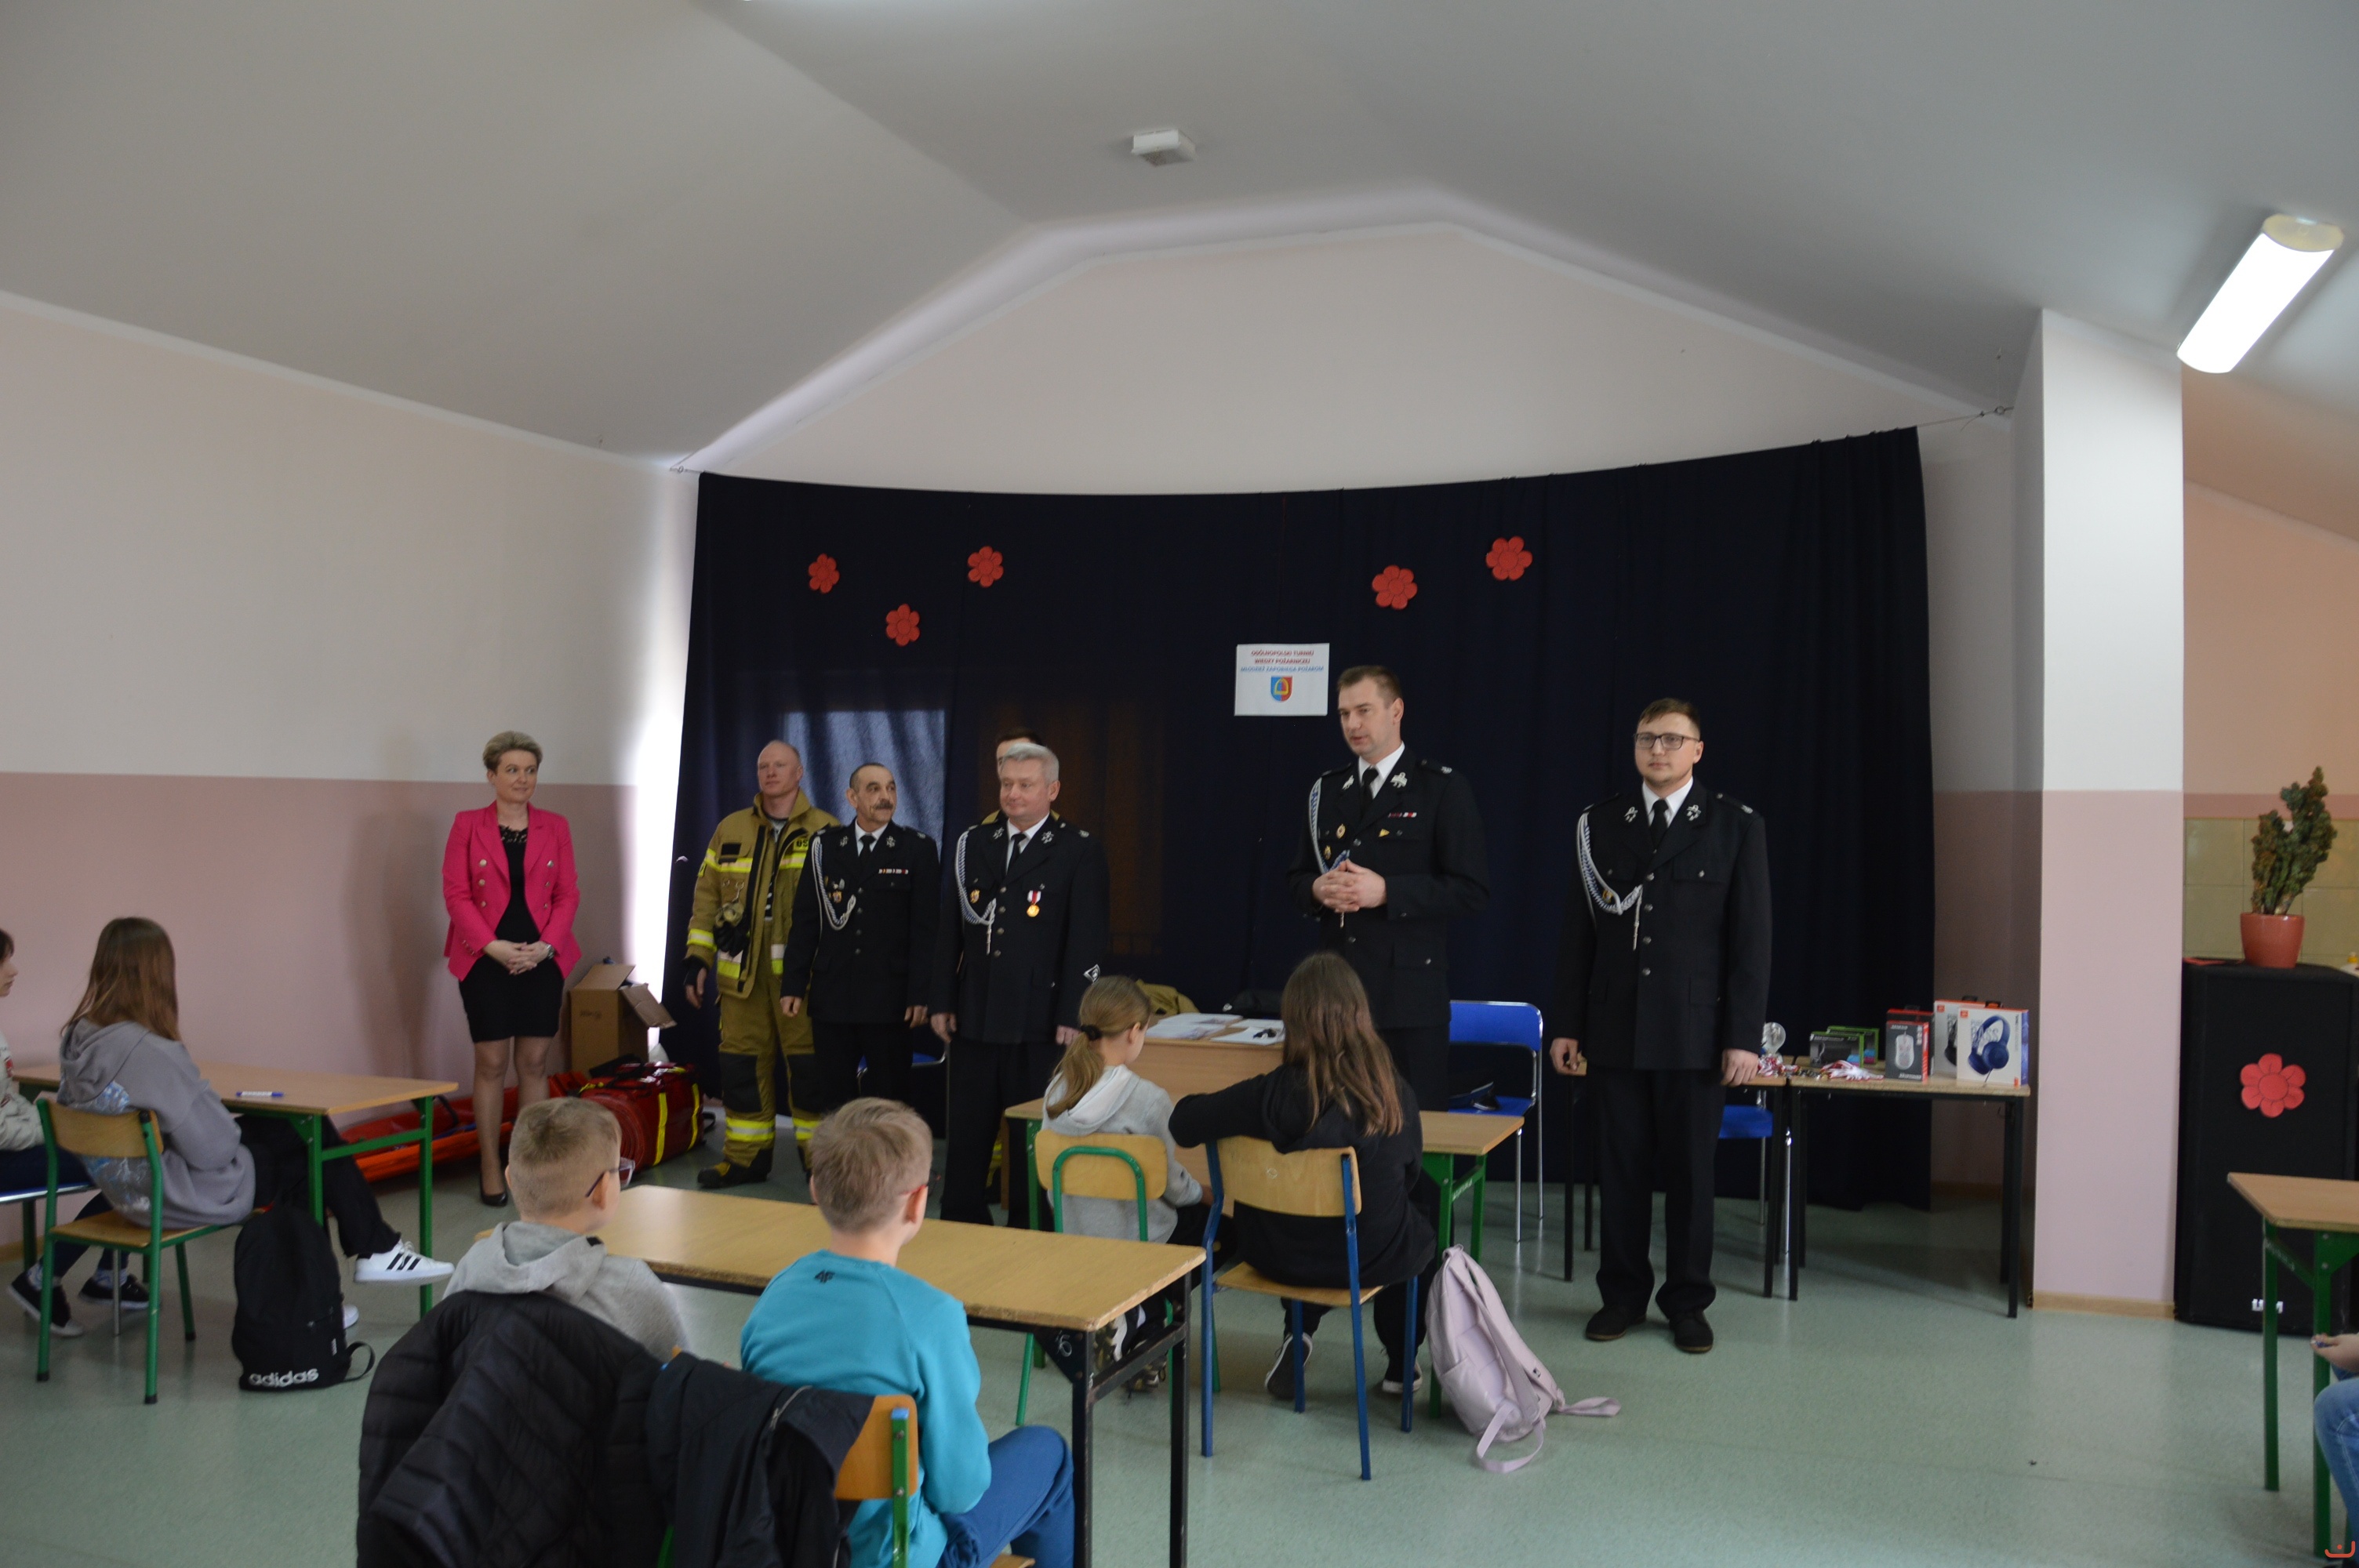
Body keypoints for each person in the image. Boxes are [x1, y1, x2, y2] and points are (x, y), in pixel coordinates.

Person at [740, 1099, 1075, 1568]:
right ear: (918, 1203)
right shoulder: (932, 1317)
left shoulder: (775, 1297)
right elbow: (960, 1491)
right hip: (899, 1557)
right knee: (1049, 1454)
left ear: (816, 1189)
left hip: (790, 1548)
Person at [53, 918, 451, 1293]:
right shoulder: (152, 1053)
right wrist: (207, 1104)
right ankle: (342, 1278)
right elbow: (215, 1149)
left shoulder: (79, 1042)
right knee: (311, 1151)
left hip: (127, 1190)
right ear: (157, 977)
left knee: (291, 1128)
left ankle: (343, 1278)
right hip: (176, 1195)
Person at [1548, 698, 1770, 1354]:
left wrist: (1742, 1037)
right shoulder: (1600, 824)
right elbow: (1578, 936)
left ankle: (1687, 1303)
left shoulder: (1734, 826)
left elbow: (1751, 943)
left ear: (1697, 750)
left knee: (1691, 1179)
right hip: (1615, 1028)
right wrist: (1568, 1024)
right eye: (1648, 738)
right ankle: (1621, 1296)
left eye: (1673, 740)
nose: (1659, 750)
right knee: (1619, 1173)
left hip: (1694, 1034)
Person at [1169, 951, 1439, 1400]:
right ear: (1360, 1016)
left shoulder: (1266, 1095)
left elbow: (1183, 1122)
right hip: (1366, 1258)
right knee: (1421, 1222)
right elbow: (1408, 1173)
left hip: (1274, 1255)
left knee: (1307, 1223)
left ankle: (1299, 1333)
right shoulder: (1393, 1095)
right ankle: (1401, 1361)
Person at [1286, 665, 1488, 1112]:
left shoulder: (1441, 788)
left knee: (1414, 1129)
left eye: (1364, 711)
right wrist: (1318, 889)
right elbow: (1296, 879)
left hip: (1408, 1002)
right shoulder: (1327, 790)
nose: (1353, 724)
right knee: (1335, 1124)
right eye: (1344, 714)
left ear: (1396, 711)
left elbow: (1471, 890)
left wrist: (1388, 893)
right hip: (1337, 998)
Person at [930, 742, 1109, 1227]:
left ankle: (1030, 1229)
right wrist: (942, 998)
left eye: (1025, 785)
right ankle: (961, 1222)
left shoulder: (1078, 849)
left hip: (1040, 1019)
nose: (1013, 794)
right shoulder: (975, 843)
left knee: (1033, 1135)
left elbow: (1087, 940)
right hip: (976, 1012)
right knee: (967, 1130)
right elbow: (950, 930)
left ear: (1052, 790)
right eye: (1007, 784)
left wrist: (1074, 1012)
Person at [682, 740, 838, 1188]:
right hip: (741, 979)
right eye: (763, 766)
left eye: (780, 765)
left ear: (799, 772)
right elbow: (707, 898)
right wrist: (697, 959)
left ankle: (822, 1164)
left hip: (802, 982)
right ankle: (745, 1158)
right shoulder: (730, 829)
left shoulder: (826, 830)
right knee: (741, 1069)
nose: (770, 773)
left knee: (810, 1073)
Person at [442, 730, 581, 1207]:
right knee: (492, 1063)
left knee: (535, 1063)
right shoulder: (467, 824)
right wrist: (493, 947)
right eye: (512, 770)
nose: (523, 779)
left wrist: (547, 947)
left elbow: (568, 893)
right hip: (486, 959)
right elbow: (456, 894)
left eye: (530, 770)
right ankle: (489, 1164)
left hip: (543, 956)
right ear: (492, 775)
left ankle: (527, 1166)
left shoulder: (555, 826)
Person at [445, 1097, 688, 1361]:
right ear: (602, 1190)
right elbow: (682, 1371)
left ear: (510, 1180)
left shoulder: (473, 1267)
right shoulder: (631, 1285)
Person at [779, 762, 940, 1116]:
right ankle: (841, 1156)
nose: (886, 797)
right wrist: (793, 983)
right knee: (835, 1100)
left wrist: (920, 993)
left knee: (890, 1101)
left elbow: (926, 930)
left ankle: (890, 1156)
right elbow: (806, 921)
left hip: (890, 1000)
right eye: (874, 789)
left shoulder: (917, 849)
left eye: (891, 788)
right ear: (852, 797)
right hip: (834, 995)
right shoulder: (825, 846)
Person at [2, 927, 132, 1338]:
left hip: (12, 1149)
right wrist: (52, 1130)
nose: (13, 970)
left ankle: (107, 1277)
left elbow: (7, 1105)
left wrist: (50, 1122)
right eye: (3, 961)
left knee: (124, 1159)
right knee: (125, 1166)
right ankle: (45, 1280)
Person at [1041, 975, 1206, 1247]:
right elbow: (1172, 1186)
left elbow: (1051, 1176)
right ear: (1134, 1031)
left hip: (1073, 1232)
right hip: (1141, 1238)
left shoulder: (1057, 1089)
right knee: (1222, 1227)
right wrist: (1202, 1192)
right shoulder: (1149, 1099)